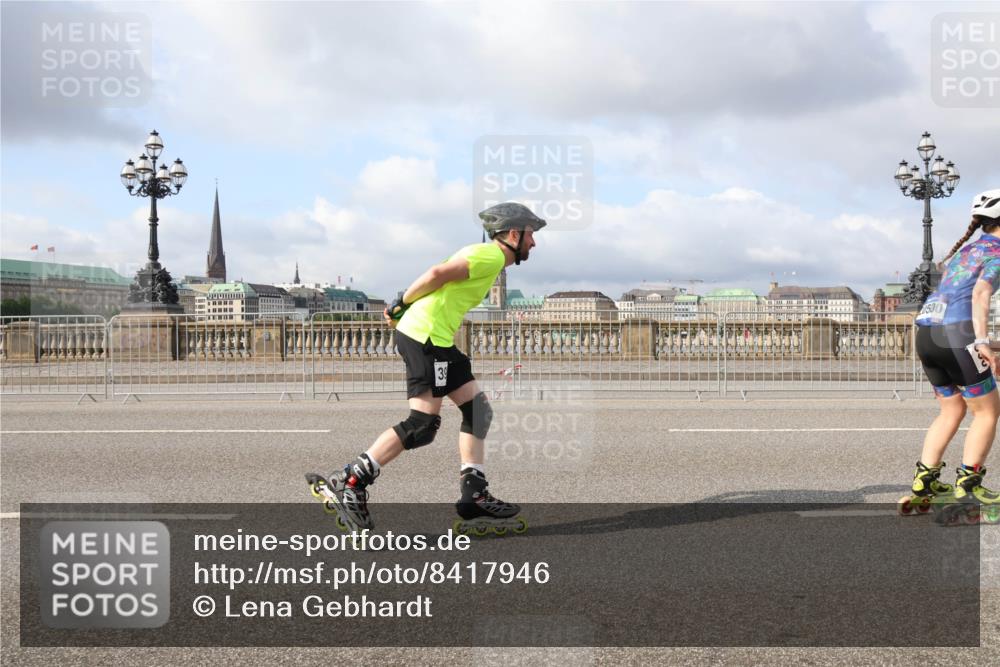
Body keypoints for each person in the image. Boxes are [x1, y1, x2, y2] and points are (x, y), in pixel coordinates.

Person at [307, 202, 545, 532]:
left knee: (478, 411)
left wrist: (403, 307)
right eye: (531, 235)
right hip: (426, 338)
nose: (534, 242)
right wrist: (401, 302)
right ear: (514, 234)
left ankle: (473, 493)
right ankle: (351, 481)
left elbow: (440, 285)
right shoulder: (490, 255)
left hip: (438, 338)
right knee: (422, 425)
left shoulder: (489, 259)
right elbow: (436, 275)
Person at [901, 189, 1000, 516]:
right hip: (957, 336)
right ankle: (968, 486)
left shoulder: (967, 250)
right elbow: (981, 294)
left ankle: (924, 483)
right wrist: (983, 341)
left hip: (927, 332)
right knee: (987, 411)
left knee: (951, 409)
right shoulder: (998, 252)